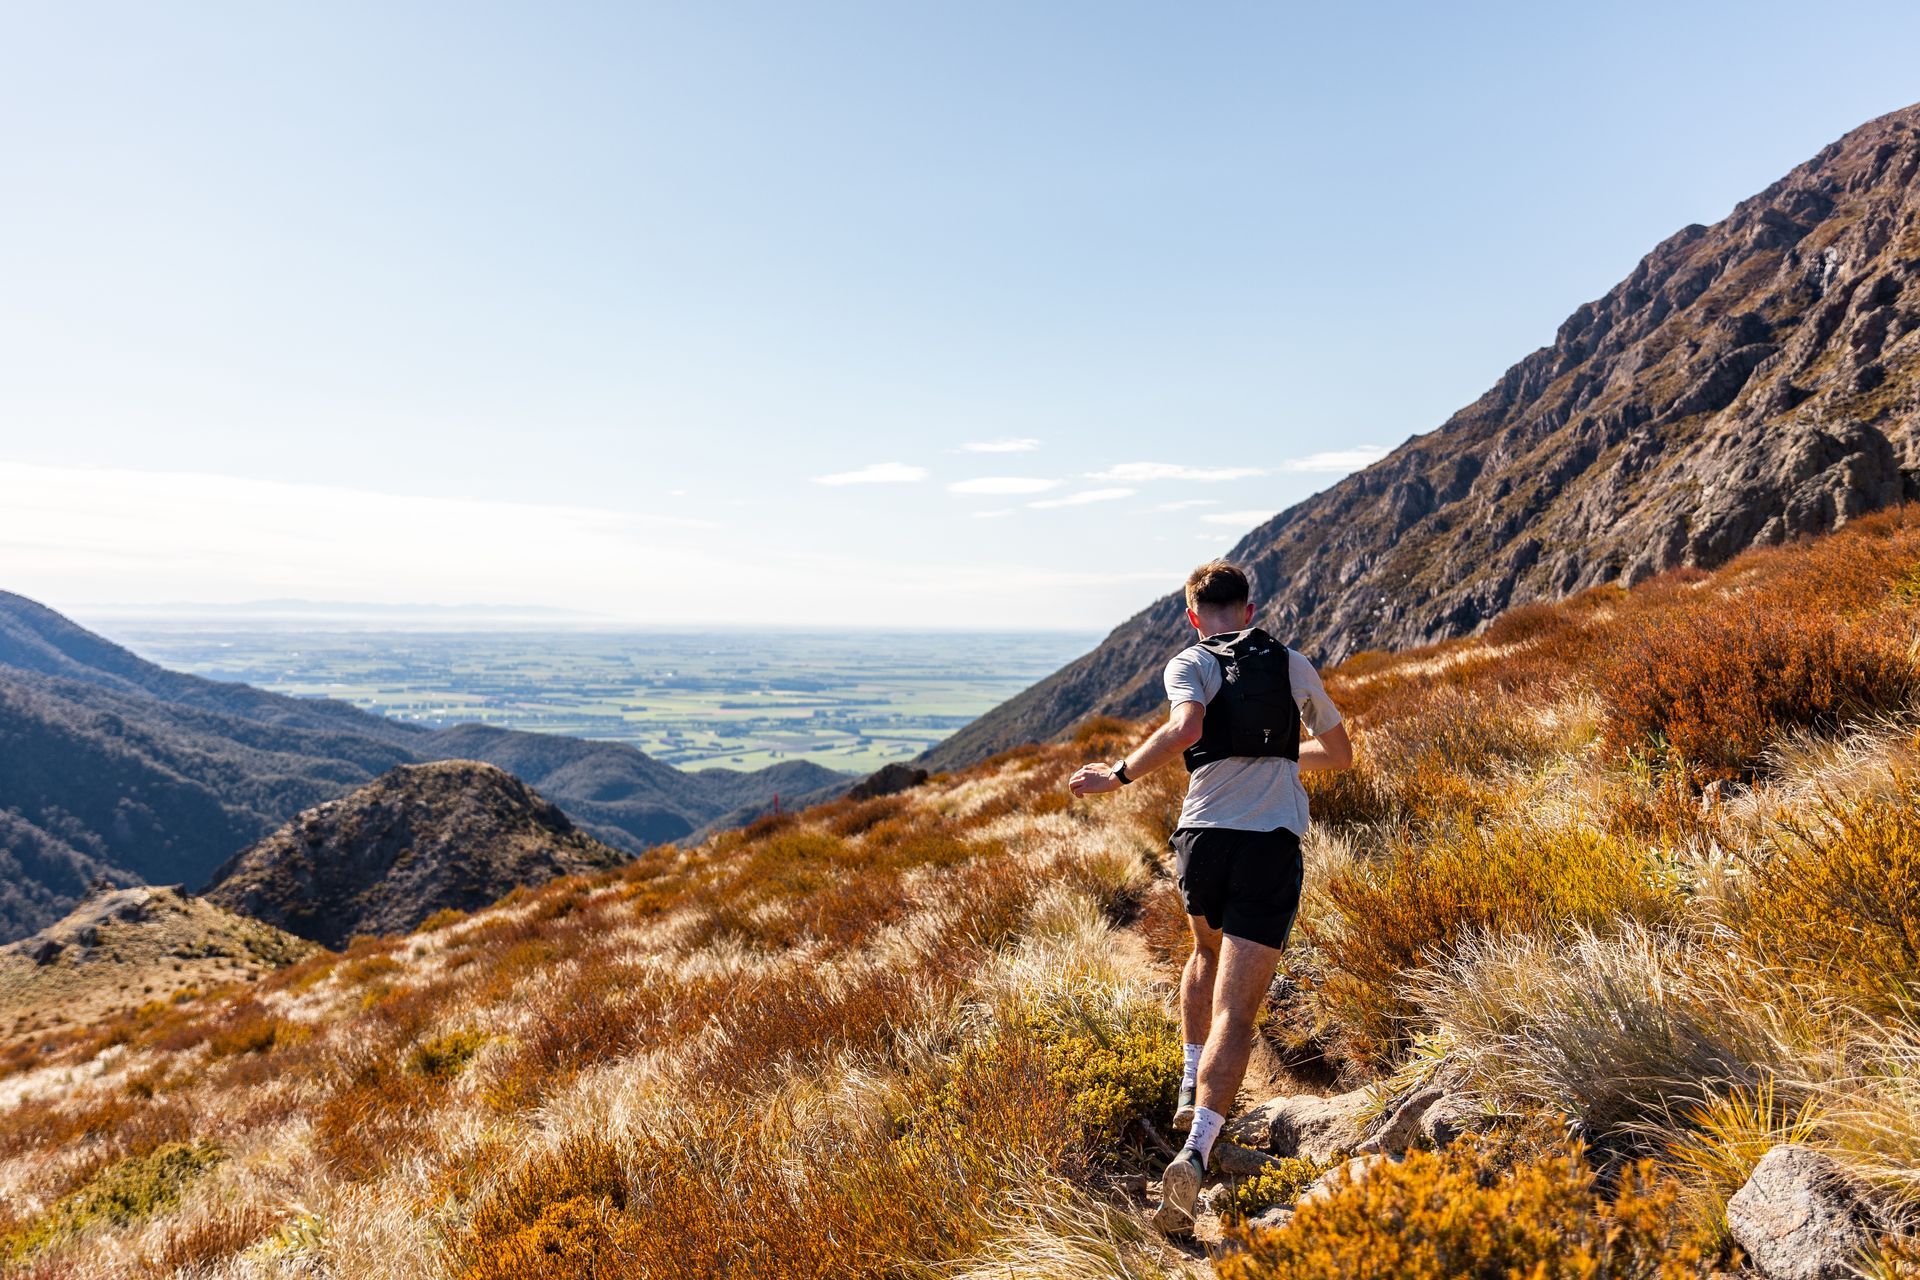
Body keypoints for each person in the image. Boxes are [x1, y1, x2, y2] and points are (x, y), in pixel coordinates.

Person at [1068, 559, 1351, 1233]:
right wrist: (1283, 758)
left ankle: (1189, 1081)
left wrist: (1118, 774)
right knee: (1238, 1010)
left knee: (1203, 950)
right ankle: (1196, 1155)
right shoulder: (1293, 665)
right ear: (1250, 610)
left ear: (1195, 616)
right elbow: (1339, 755)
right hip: (1267, 848)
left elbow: (1188, 729)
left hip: (1202, 840)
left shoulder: (1188, 662)